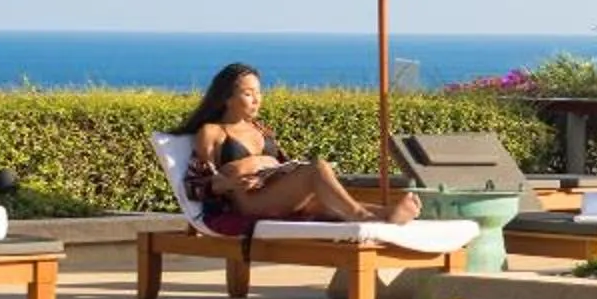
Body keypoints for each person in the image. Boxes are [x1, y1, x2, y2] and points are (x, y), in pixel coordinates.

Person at [175, 63, 421, 226]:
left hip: (275, 193)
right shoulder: (213, 132)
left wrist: (273, 165)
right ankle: (362, 218)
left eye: (259, 92)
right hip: (249, 202)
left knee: (326, 201)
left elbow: (283, 168)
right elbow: (195, 184)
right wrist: (228, 183)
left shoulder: (260, 129)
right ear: (226, 98)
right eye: (248, 93)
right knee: (316, 169)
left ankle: (386, 215)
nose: (257, 99)